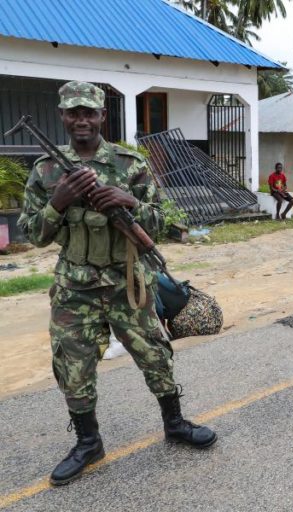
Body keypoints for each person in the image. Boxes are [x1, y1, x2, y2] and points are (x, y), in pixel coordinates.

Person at [18, 81, 216, 486]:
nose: (82, 120)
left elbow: (165, 222)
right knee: (72, 367)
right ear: (62, 116)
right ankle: (89, 443)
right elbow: (32, 235)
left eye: (89, 112)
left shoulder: (130, 165)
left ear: (101, 116)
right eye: (73, 112)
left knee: (155, 355)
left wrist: (130, 203)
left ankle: (174, 424)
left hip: (128, 282)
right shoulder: (46, 170)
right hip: (75, 287)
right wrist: (59, 201)